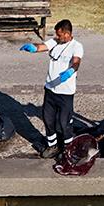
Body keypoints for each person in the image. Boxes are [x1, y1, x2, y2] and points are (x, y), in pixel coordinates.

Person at [19, 20, 83, 159]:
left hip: (65, 93)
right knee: (48, 120)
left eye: (59, 34)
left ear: (67, 34)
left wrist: (70, 72)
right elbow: (42, 47)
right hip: (50, 89)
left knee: (64, 123)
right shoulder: (55, 41)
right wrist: (33, 48)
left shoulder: (76, 47)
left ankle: (68, 149)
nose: (57, 36)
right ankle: (52, 146)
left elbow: (76, 62)